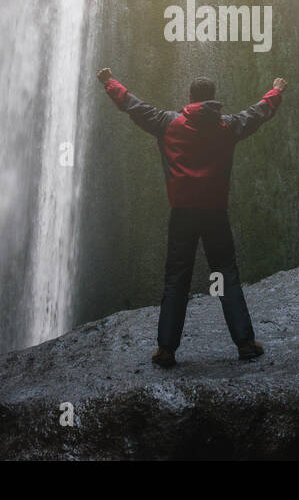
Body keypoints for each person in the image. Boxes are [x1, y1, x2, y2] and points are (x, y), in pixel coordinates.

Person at [96, 67, 287, 367]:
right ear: (213, 99)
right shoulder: (228, 126)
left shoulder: (167, 122)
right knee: (226, 275)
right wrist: (276, 91)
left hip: (182, 213)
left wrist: (109, 82)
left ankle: (167, 350)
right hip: (215, 213)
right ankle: (246, 344)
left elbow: (132, 104)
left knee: (176, 279)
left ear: (189, 98)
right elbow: (259, 112)